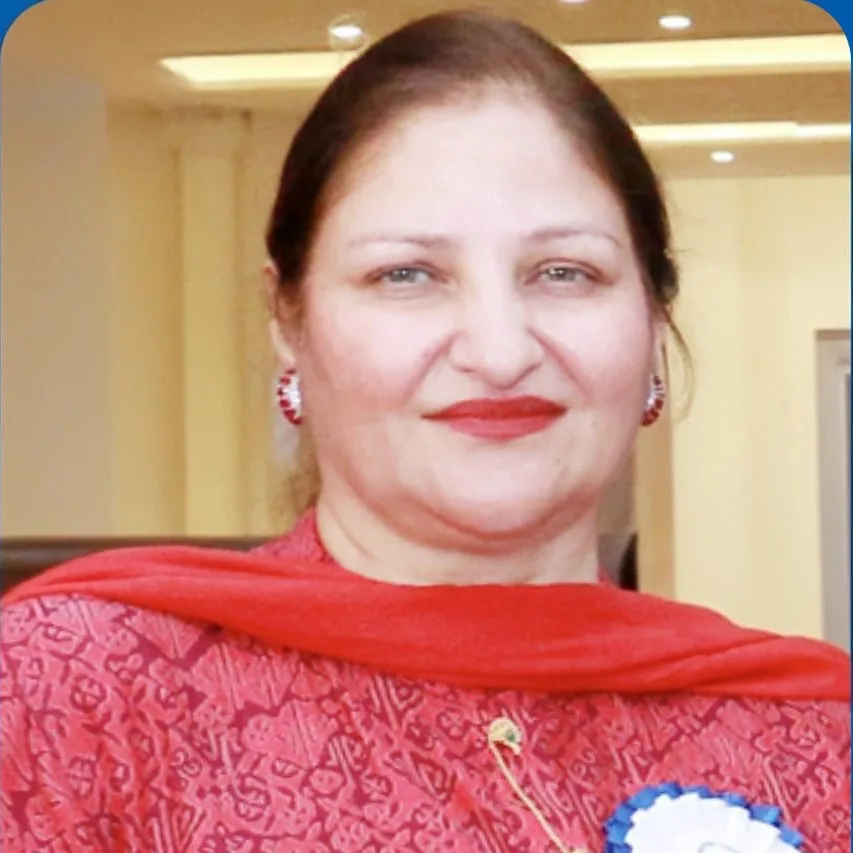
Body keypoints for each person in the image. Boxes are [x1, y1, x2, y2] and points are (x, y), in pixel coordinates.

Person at [1, 10, 848, 853]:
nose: (500, 351)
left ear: (653, 316)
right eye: (405, 274)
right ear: (288, 319)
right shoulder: (71, 691)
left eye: (564, 272)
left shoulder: (810, 733)